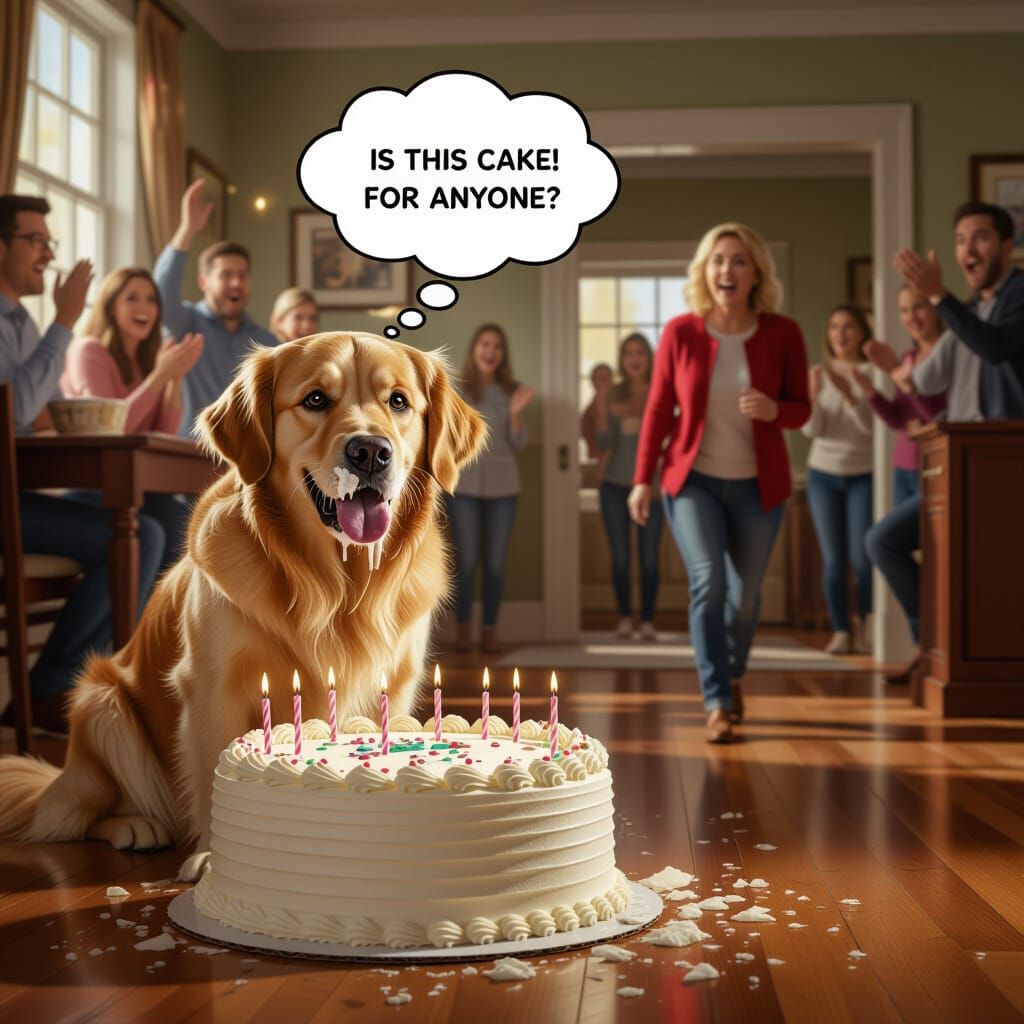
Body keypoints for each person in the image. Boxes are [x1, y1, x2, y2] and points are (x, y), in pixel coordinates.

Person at [628, 222, 810, 744]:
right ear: (705, 272)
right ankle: (717, 701)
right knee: (707, 581)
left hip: (760, 486)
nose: (726, 270)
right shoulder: (682, 332)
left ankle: (730, 675)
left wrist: (776, 409)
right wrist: (643, 479)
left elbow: (802, 409)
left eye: (738, 261)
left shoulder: (783, 333)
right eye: (718, 261)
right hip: (693, 482)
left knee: (746, 598)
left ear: (755, 273)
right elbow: (660, 408)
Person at [0, 195, 164, 732]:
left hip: (23, 495)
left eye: (50, 241)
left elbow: (35, 417)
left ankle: (81, 681)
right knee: (133, 534)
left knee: (152, 530)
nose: (48, 253)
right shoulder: (21, 324)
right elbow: (19, 408)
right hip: (8, 503)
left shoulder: (21, 320)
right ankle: (55, 685)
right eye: (36, 240)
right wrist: (65, 320)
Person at [865, 201, 1024, 682]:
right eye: (959, 240)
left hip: (1006, 460)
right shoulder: (972, 307)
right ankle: (934, 639)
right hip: (959, 461)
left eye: (979, 237)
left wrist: (940, 299)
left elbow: (996, 348)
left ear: (1007, 246)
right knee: (885, 542)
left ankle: (950, 651)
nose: (967, 249)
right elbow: (925, 383)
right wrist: (893, 368)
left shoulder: (1019, 293)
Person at [61, 267, 204, 573]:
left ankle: (162, 618)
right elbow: (109, 428)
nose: (144, 308)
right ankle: (141, 618)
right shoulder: (89, 351)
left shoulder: (144, 363)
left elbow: (162, 434)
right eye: (132, 298)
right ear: (111, 306)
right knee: (169, 526)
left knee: (188, 524)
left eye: (151, 300)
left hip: (135, 490)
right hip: (95, 486)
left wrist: (174, 379)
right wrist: (160, 376)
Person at [854, 289, 946, 665]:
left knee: (887, 545)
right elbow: (899, 421)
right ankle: (923, 646)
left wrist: (903, 380)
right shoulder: (908, 358)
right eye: (904, 310)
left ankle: (932, 643)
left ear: (935, 309)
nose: (912, 316)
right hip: (904, 468)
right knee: (899, 554)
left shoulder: (947, 354)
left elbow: (939, 419)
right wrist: (873, 393)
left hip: (937, 471)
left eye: (919, 306)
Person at [153, 180, 278, 436]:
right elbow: (161, 295)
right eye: (226, 275)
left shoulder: (266, 342)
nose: (236, 283)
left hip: (245, 460)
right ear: (203, 282)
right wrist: (187, 230)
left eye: (242, 275)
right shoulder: (185, 323)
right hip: (191, 452)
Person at [448, 323, 535, 654]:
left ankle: (489, 630)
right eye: (484, 343)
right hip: (464, 488)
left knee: (495, 564)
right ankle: (463, 630)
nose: (490, 351)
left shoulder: (513, 391)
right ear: (474, 348)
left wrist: (514, 413)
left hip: (504, 489)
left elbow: (520, 442)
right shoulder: (457, 390)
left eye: (497, 345)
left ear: (503, 354)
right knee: (466, 562)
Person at [802, 304, 881, 656]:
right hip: (822, 475)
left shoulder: (873, 373)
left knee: (862, 559)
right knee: (833, 560)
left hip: (863, 475)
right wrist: (815, 397)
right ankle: (840, 630)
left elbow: (873, 431)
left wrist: (850, 395)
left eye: (848, 326)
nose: (841, 334)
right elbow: (810, 430)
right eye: (834, 327)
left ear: (862, 333)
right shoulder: (817, 373)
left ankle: (866, 624)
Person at [593, 334, 663, 640]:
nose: (634, 358)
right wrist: (601, 407)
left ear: (649, 357)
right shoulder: (613, 394)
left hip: (653, 488)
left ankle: (647, 620)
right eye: (628, 353)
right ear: (622, 360)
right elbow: (603, 443)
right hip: (614, 486)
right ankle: (624, 618)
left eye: (640, 353)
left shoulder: (661, 391)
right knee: (620, 557)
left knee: (649, 558)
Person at [580, 362, 613, 461]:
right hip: (597, 461)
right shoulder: (589, 411)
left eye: (607, 378)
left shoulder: (620, 405)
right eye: (601, 378)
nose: (605, 382)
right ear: (593, 382)